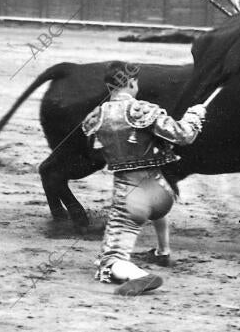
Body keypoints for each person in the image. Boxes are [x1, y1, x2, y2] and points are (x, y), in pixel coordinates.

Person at [82, 61, 206, 296]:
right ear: (130, 82)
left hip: (131, 200)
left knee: (109, 262)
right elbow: (184, 135)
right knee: (154, 210)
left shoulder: (95, 118)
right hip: (161, 194)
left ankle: (138, 276)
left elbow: (94, 152)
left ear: (109, 86)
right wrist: (195, 115)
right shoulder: (145, 110)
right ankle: (163, 250)